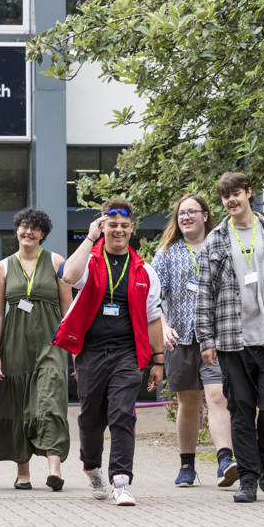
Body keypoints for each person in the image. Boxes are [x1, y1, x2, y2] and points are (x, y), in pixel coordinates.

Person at [195, 172, 264, 503]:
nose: (231, 200)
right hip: (233, 341)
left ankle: (262, 458)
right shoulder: (216, 239)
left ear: (249, 193)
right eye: (224, 196)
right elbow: (205, 295)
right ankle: (248, 479)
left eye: (236, 194)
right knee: (241, 409)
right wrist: (207, 340)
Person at [53, 198, 165, 507]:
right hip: (90, 352)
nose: (118, 230)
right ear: (103, 225)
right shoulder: (91, 260)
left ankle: (121, 481)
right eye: (111, 225)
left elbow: (154, 317)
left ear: (132, 228)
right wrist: (90, 238)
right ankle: (91, 466)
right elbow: (68, 277)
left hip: (127, 353)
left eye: (123, 226)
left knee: (122, 415)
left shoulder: (145, 271)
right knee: (91, 418)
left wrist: (158, 360)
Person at [0, 208, 73, 491]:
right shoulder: (4, 267)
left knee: (50, 399)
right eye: (23, 226)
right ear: (17, 230)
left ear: (42, 234)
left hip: (51, 344)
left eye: (34, 228)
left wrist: (72, 346)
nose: (28, 232)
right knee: (19, 402)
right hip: (15, 345)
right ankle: (23, 473)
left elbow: (68, 308)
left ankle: (54, 468)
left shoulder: (57, 261)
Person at [152, 194, 238, 488]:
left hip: (214, 339)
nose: (185, 217)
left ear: (205, 216)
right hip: (180, 339)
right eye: (180, 213)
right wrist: (163, 328)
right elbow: (154, 298)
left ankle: (225, 460)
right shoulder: (166, 252)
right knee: (188, 403)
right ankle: (187, 465)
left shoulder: (222, 248)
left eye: (191, 212)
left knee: (218, 396)